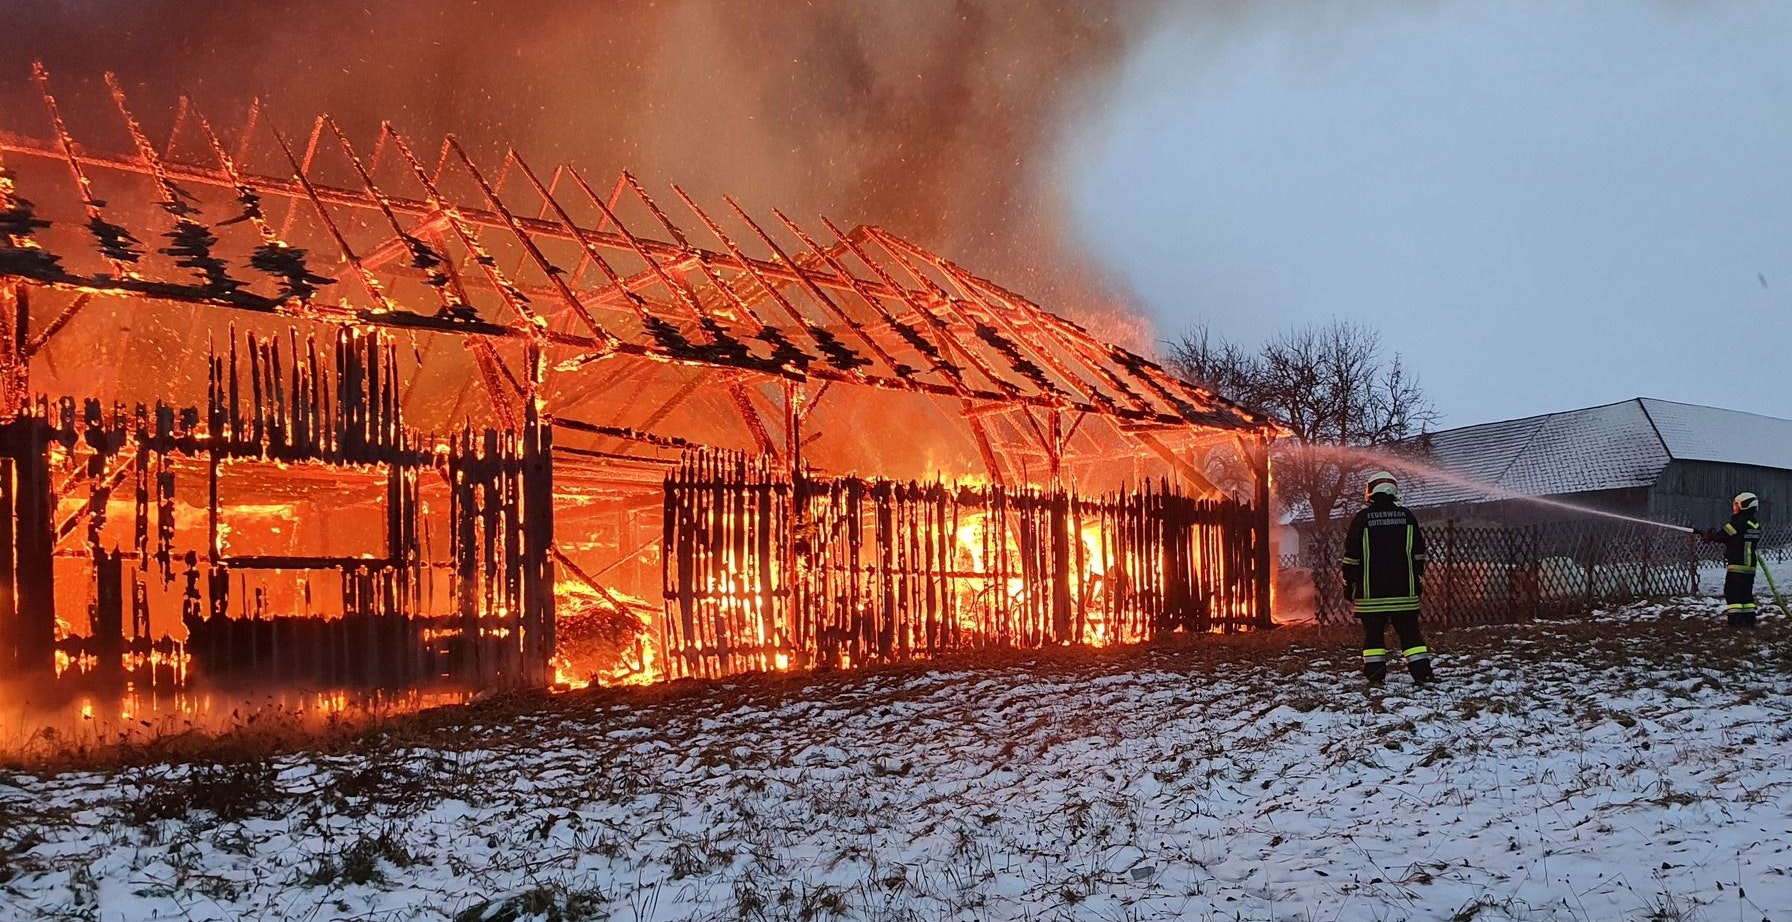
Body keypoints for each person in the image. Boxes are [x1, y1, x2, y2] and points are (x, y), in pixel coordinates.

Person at [1341, 471, 1435, 686]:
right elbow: (1418, 553)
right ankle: (1422, 673)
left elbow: (1352, 555)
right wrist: (1417, 578)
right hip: (1405, 591)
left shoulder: (1363, 519)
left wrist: (1349, 583)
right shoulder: (1407, 517)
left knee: (1373, 635)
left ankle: (1375, 675)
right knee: (1411, 634)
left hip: (1371, 592)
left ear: (1371, 491)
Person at [1698, 493, 1763, 627]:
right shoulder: (1755, 524)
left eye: (1736, 504)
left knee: (1732, 593)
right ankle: (1749, 620)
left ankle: (1735, 621)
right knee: (1746, 594)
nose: (1735, 507)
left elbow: (1723, 535)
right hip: (1750, 566)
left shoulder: (1738, 522)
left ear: (1743, 505)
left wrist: (1709, 537)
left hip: (1737, 564)